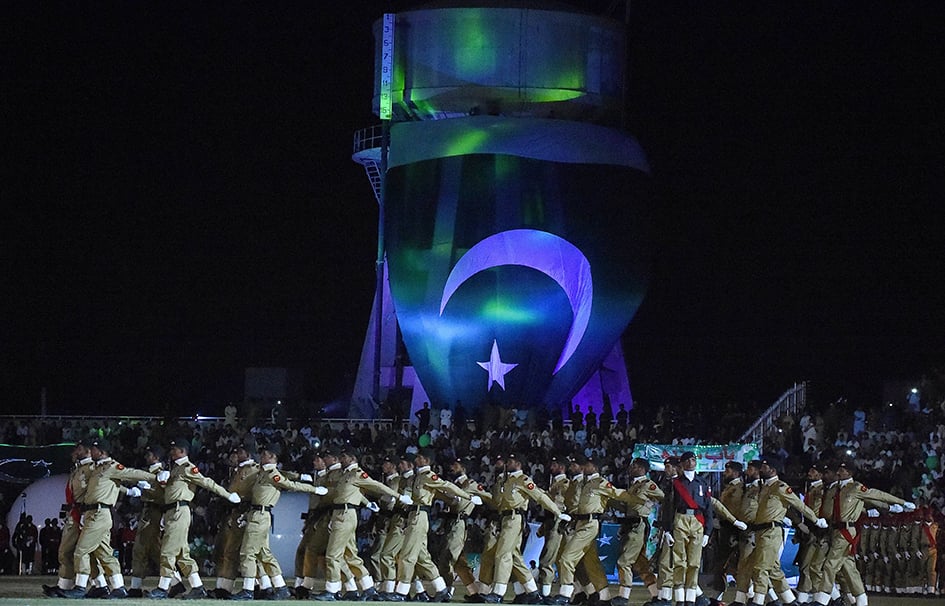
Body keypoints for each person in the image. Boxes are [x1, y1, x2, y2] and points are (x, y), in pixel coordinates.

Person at [229, 442, 326, 601]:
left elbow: (290, 484)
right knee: (264, 554)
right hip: (257, 514)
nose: (261, 456)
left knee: (247, 552)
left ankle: (247, 590)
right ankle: (280, 587)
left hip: (260, 516)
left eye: (265, 454)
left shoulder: (272, 474)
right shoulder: (263, 472)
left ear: (273, 457)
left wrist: (314, 489)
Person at [146, 437, 240, 600]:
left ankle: (162, 588)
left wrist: (227, 495)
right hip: (172, 511)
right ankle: (197, 587)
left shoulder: (188, 468)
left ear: (182, 451)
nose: (171, 451)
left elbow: (207, 482)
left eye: (174, 449)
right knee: (182, 554)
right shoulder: (175, 468)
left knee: (168, 550)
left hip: (179, 511)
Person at [61, 437, 156, 599]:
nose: (92, 452)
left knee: (81, 551)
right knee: (104, 554)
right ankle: (118, 587)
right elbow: (108, 486)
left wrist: (155, 477)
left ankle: (79, 587)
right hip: (92, 513)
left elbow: (131, 473)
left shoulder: (112, 467)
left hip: (100, 513)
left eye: (95, 449)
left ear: (102, 452)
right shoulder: (97, 469)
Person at [314, 446, 411, 601]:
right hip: (341, 514)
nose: (341, 459)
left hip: (345, 515)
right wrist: (367, 503)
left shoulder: (357, 474)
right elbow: (349, 493)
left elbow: (376, 485)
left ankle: (332, 590)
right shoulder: (345, 474)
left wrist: (399, 497)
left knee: (332, 554)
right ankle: (367, 588)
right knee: (351, 556)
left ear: (352, 459)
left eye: (344, 456)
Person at [812, 460, 914, 606]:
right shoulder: (837, 489)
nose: (839, 472)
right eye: (839, 469)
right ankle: (861, 599)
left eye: (842, 470)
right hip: (834, 530)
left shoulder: (856, 487)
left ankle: (821, 601)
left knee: (830, 565)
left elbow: (876, 495)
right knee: (848, 567)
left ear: (849, 473)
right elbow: (846, 507)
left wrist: (900, 503)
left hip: (846, 531)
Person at [388, 448, 475, 602]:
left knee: (407, 555)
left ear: (426, 461)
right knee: (423, 558)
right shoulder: (418, 477)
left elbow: (446, 485)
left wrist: (467, 496)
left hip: (419, 516)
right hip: (414, 516)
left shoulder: (428, 476)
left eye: (419, 458)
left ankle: (401, 592)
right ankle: (441, 589)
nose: (416, 460)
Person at [484, 452, 564, 604]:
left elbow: (540, 497)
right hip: (505, 518)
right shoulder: (504, 480)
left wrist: (557, 512)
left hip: (515, 519)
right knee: (515, 557)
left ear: (519, 464)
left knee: (503, 554)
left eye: (511, 461)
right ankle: (533, 592)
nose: (508, 464)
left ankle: (498, 593)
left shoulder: (524, 480)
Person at [747, 458, 827, 606]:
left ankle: (757, 601)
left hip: (771, 531)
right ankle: (790, 602)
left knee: (761, 568)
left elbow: (799, 505)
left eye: (764, 467)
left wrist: (816, 520)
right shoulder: (764, 487)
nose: (761, 470)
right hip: (760, 531)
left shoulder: (781, 487)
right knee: (774, 570)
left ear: (773, 470)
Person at [612, 458, 665, 606]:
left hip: (639, 525)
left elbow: (663, 498)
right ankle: (656, 595)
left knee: (624, 561)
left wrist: (649, 506)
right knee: (641, 564)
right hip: (630, 524)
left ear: (642, 469)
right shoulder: (633, 486)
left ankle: (623, 596)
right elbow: (628, 507)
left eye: (634, 466)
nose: (631, 468)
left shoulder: (648, 485)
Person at [665, 451, 715, 606]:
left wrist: (708, 531)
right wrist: (667, 530)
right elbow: (668, 507)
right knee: (680, 561)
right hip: (680, 519)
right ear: (682, 464)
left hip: (697, 522)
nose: (691, 463)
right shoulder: (675, 483)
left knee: (694, 563)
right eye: (687, 460)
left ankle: (690, 598)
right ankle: (680, 598)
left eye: (693, 460)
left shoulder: (702, 483)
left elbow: (708, 509)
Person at [211, 443, 259, 599]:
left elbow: (252, 495)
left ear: (249, 454)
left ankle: (258, 587)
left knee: (247, 553)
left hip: (243, 514)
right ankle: (225, 587)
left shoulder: (254, 470)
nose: (236, 455)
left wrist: (244, 513)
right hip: (232, 513)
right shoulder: (237, 471)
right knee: (228, 552)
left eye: (240, 452)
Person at [128, 444, 166, 597]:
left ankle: (136, 587)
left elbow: (164, 496)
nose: (146, 457)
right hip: (148, 511)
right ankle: (175, 583)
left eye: (149, 455)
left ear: (156, 457)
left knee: (140, 549)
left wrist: (148, 489)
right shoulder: (149, 472)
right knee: (155, 551)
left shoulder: (162, 474)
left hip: (154, 512)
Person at [537, 457, 569, 598]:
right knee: (550, 557)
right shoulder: (554, 483)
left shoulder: (565, 483)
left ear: (562, 467)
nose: (551, 468)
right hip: (550, 521)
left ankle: (546, 593)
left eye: (555, 465)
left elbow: (560, 503)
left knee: (547, 558)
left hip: (558, 521)